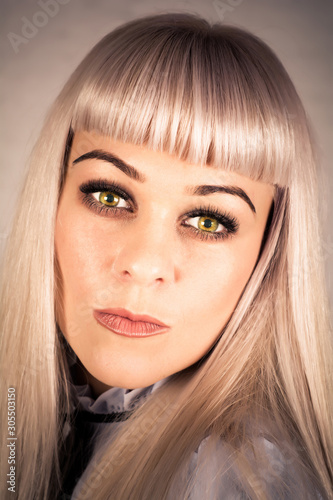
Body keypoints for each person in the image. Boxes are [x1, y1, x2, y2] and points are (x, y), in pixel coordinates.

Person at [0, 12, 332, 500]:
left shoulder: (241, 482)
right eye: (109, 196)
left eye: (207, 221)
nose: (145, 263)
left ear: (269, 252)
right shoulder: (20, 418)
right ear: (52, 196)